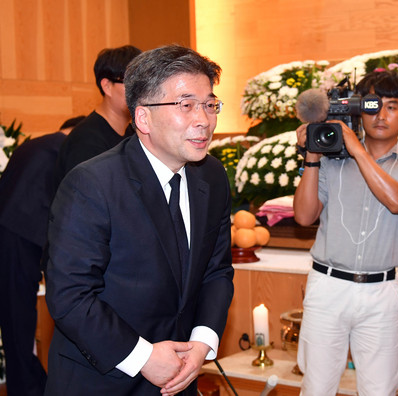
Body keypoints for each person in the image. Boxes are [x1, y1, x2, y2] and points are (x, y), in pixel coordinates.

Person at [44, 45, 234, 396]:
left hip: (181, 376)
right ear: (143, 118)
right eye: (185, 104)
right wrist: (143, 356)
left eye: (210, 104)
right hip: (103, 379)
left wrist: (203, 342)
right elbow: (71, 295)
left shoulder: (212, 176)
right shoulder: (93, 183)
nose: (204, 119)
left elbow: (217, 270)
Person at [293, 70, 398, 395]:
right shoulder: (331, 160)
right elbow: (303, 217)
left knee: (380, 390)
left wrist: (358, 150)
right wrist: (312, 157)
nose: (381, 115)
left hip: (380, 293)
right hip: (327, 287)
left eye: (392, 106)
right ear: (360, 109)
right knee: (316, 389)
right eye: (373, 105)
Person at [0, 115, 84, 396]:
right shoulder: (64, 149)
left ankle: (28, 386)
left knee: (15, 327)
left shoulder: (34, 145)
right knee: (20, 326)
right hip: (22, 239)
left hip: (9, 235)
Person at [53, 44, 141, 189]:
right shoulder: (85, 141)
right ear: (107, 86)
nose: (140, 92)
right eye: (132, 83)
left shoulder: (133, 133)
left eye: (142, 84)